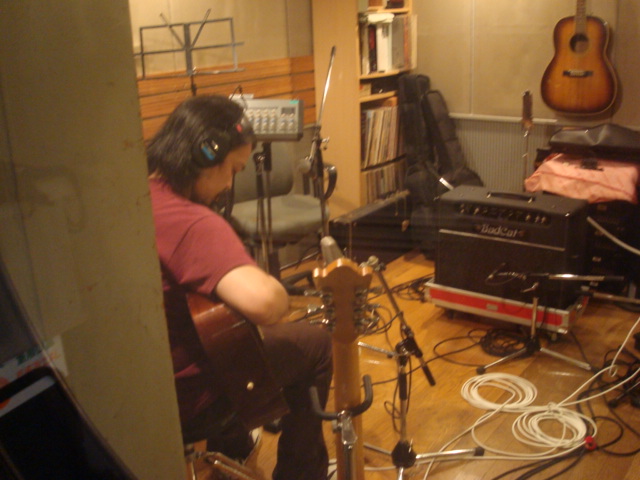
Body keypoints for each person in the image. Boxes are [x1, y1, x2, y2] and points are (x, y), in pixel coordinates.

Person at [146, 94, 333, 480]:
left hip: (143, 388)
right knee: (316, 345)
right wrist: (276, 289)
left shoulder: (137, 197)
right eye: (232, 169)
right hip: (190, 399)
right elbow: (264, 304)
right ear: (205, 153)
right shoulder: (193, 223)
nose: (230, 184)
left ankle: (233, 445)